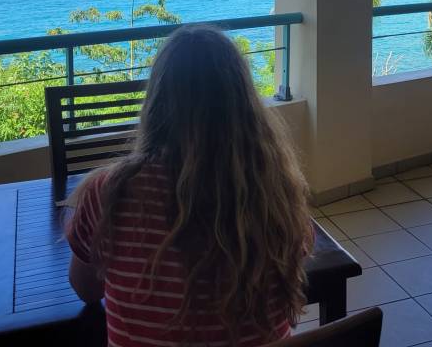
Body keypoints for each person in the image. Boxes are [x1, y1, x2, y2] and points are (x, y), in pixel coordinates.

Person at [66, 25, 314, 347]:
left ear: (157, 100)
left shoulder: (108, 192)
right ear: (244, 103)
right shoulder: (273, 190)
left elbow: (86, 290)